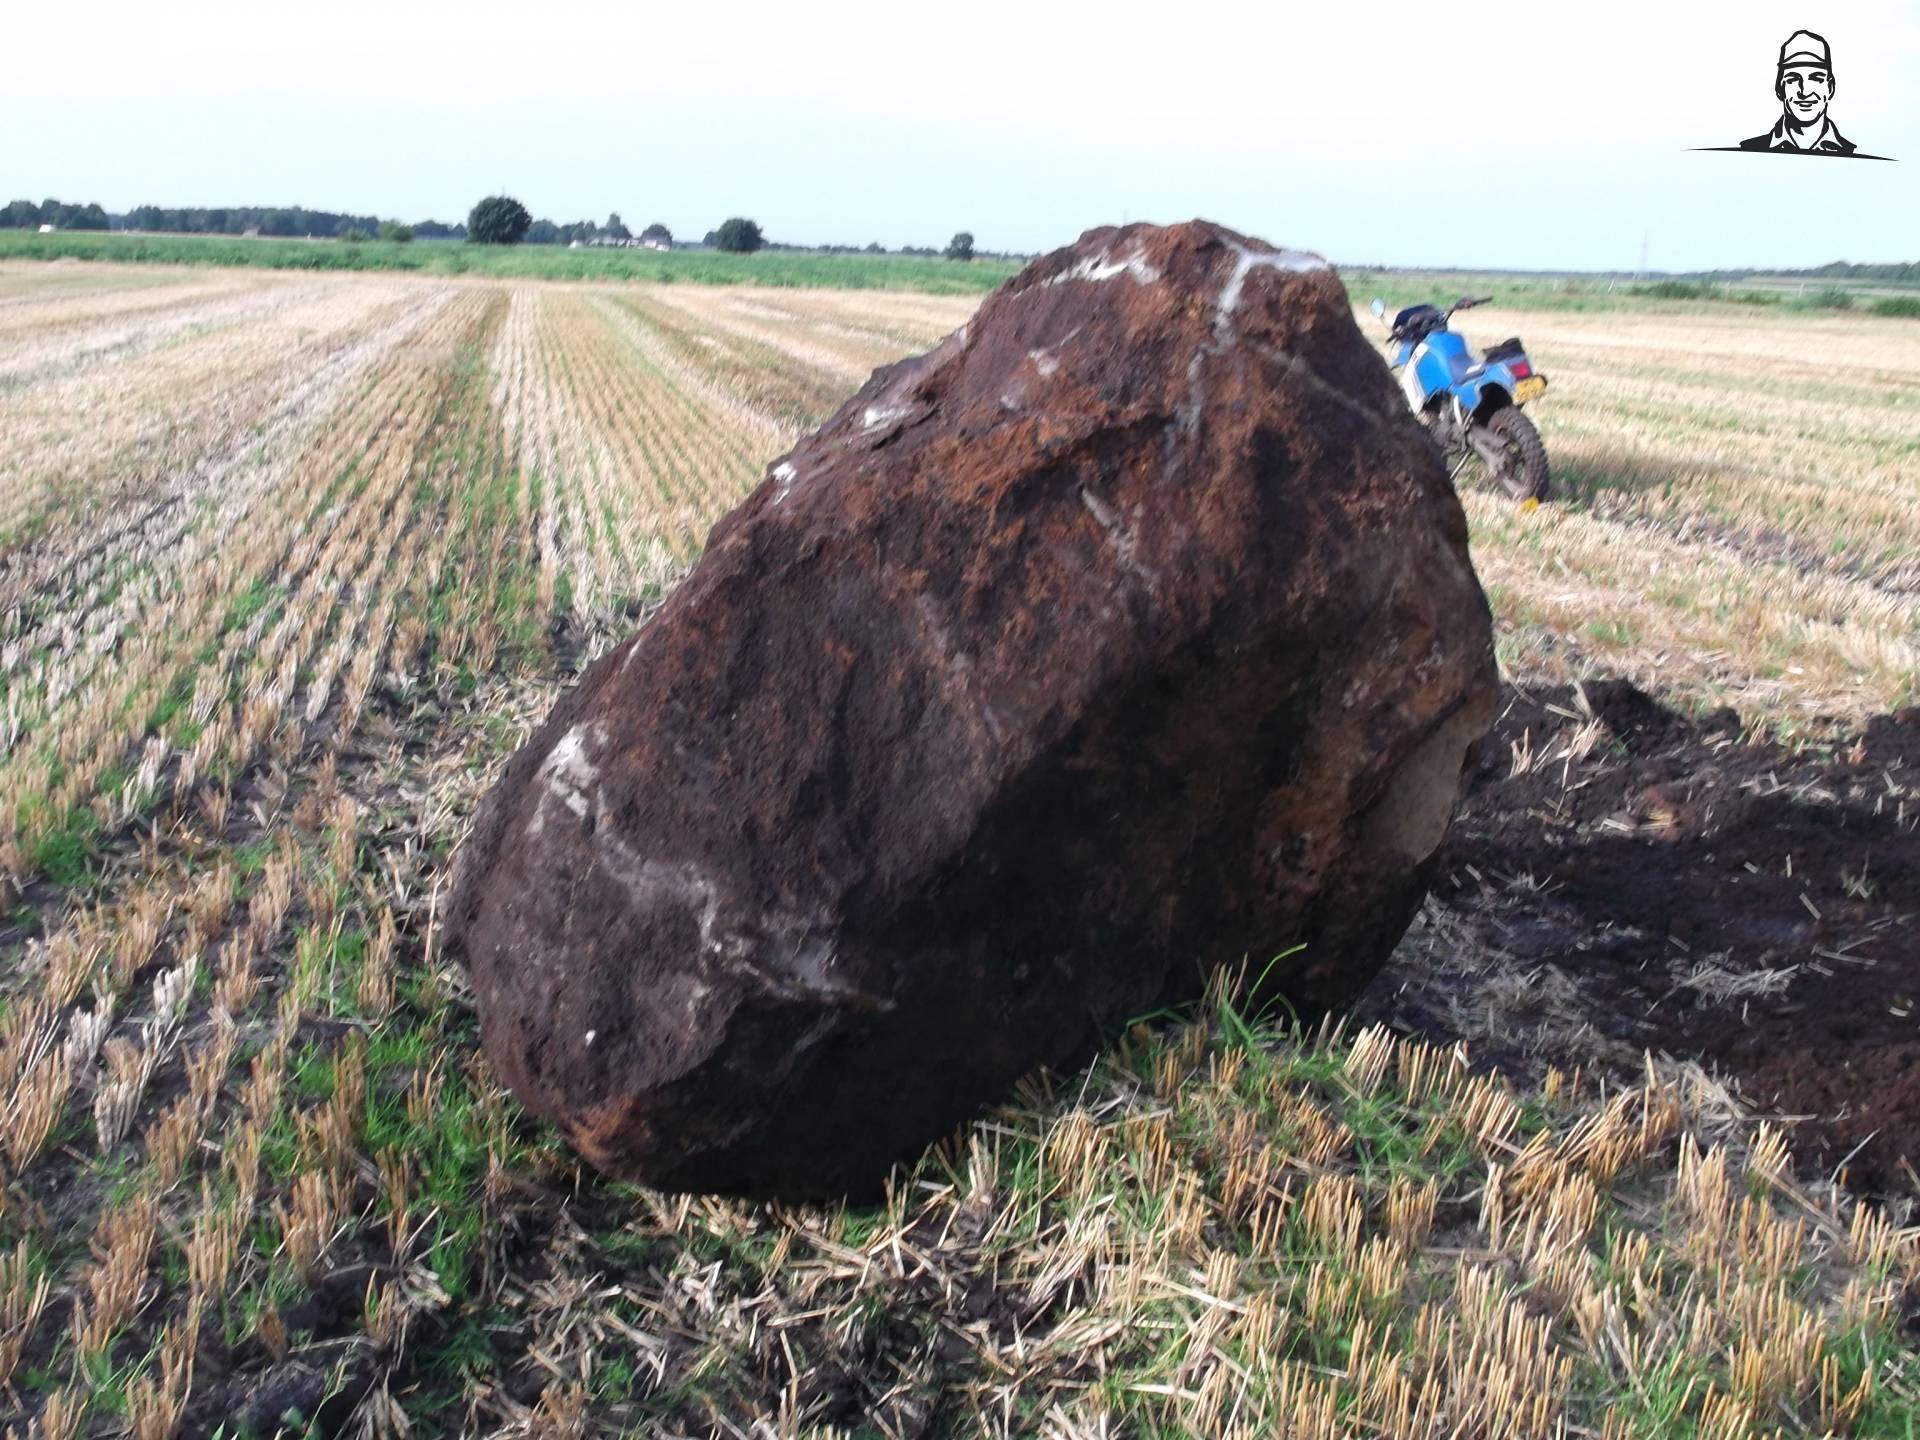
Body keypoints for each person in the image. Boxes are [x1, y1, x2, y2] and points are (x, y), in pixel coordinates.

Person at [1739, 31, 1855, 154]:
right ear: (1779, 89)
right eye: (1793, 79)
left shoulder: (1853, 154)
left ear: (1830, 88)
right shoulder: (1749, 151)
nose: (1805, 92)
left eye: (1816, 79)